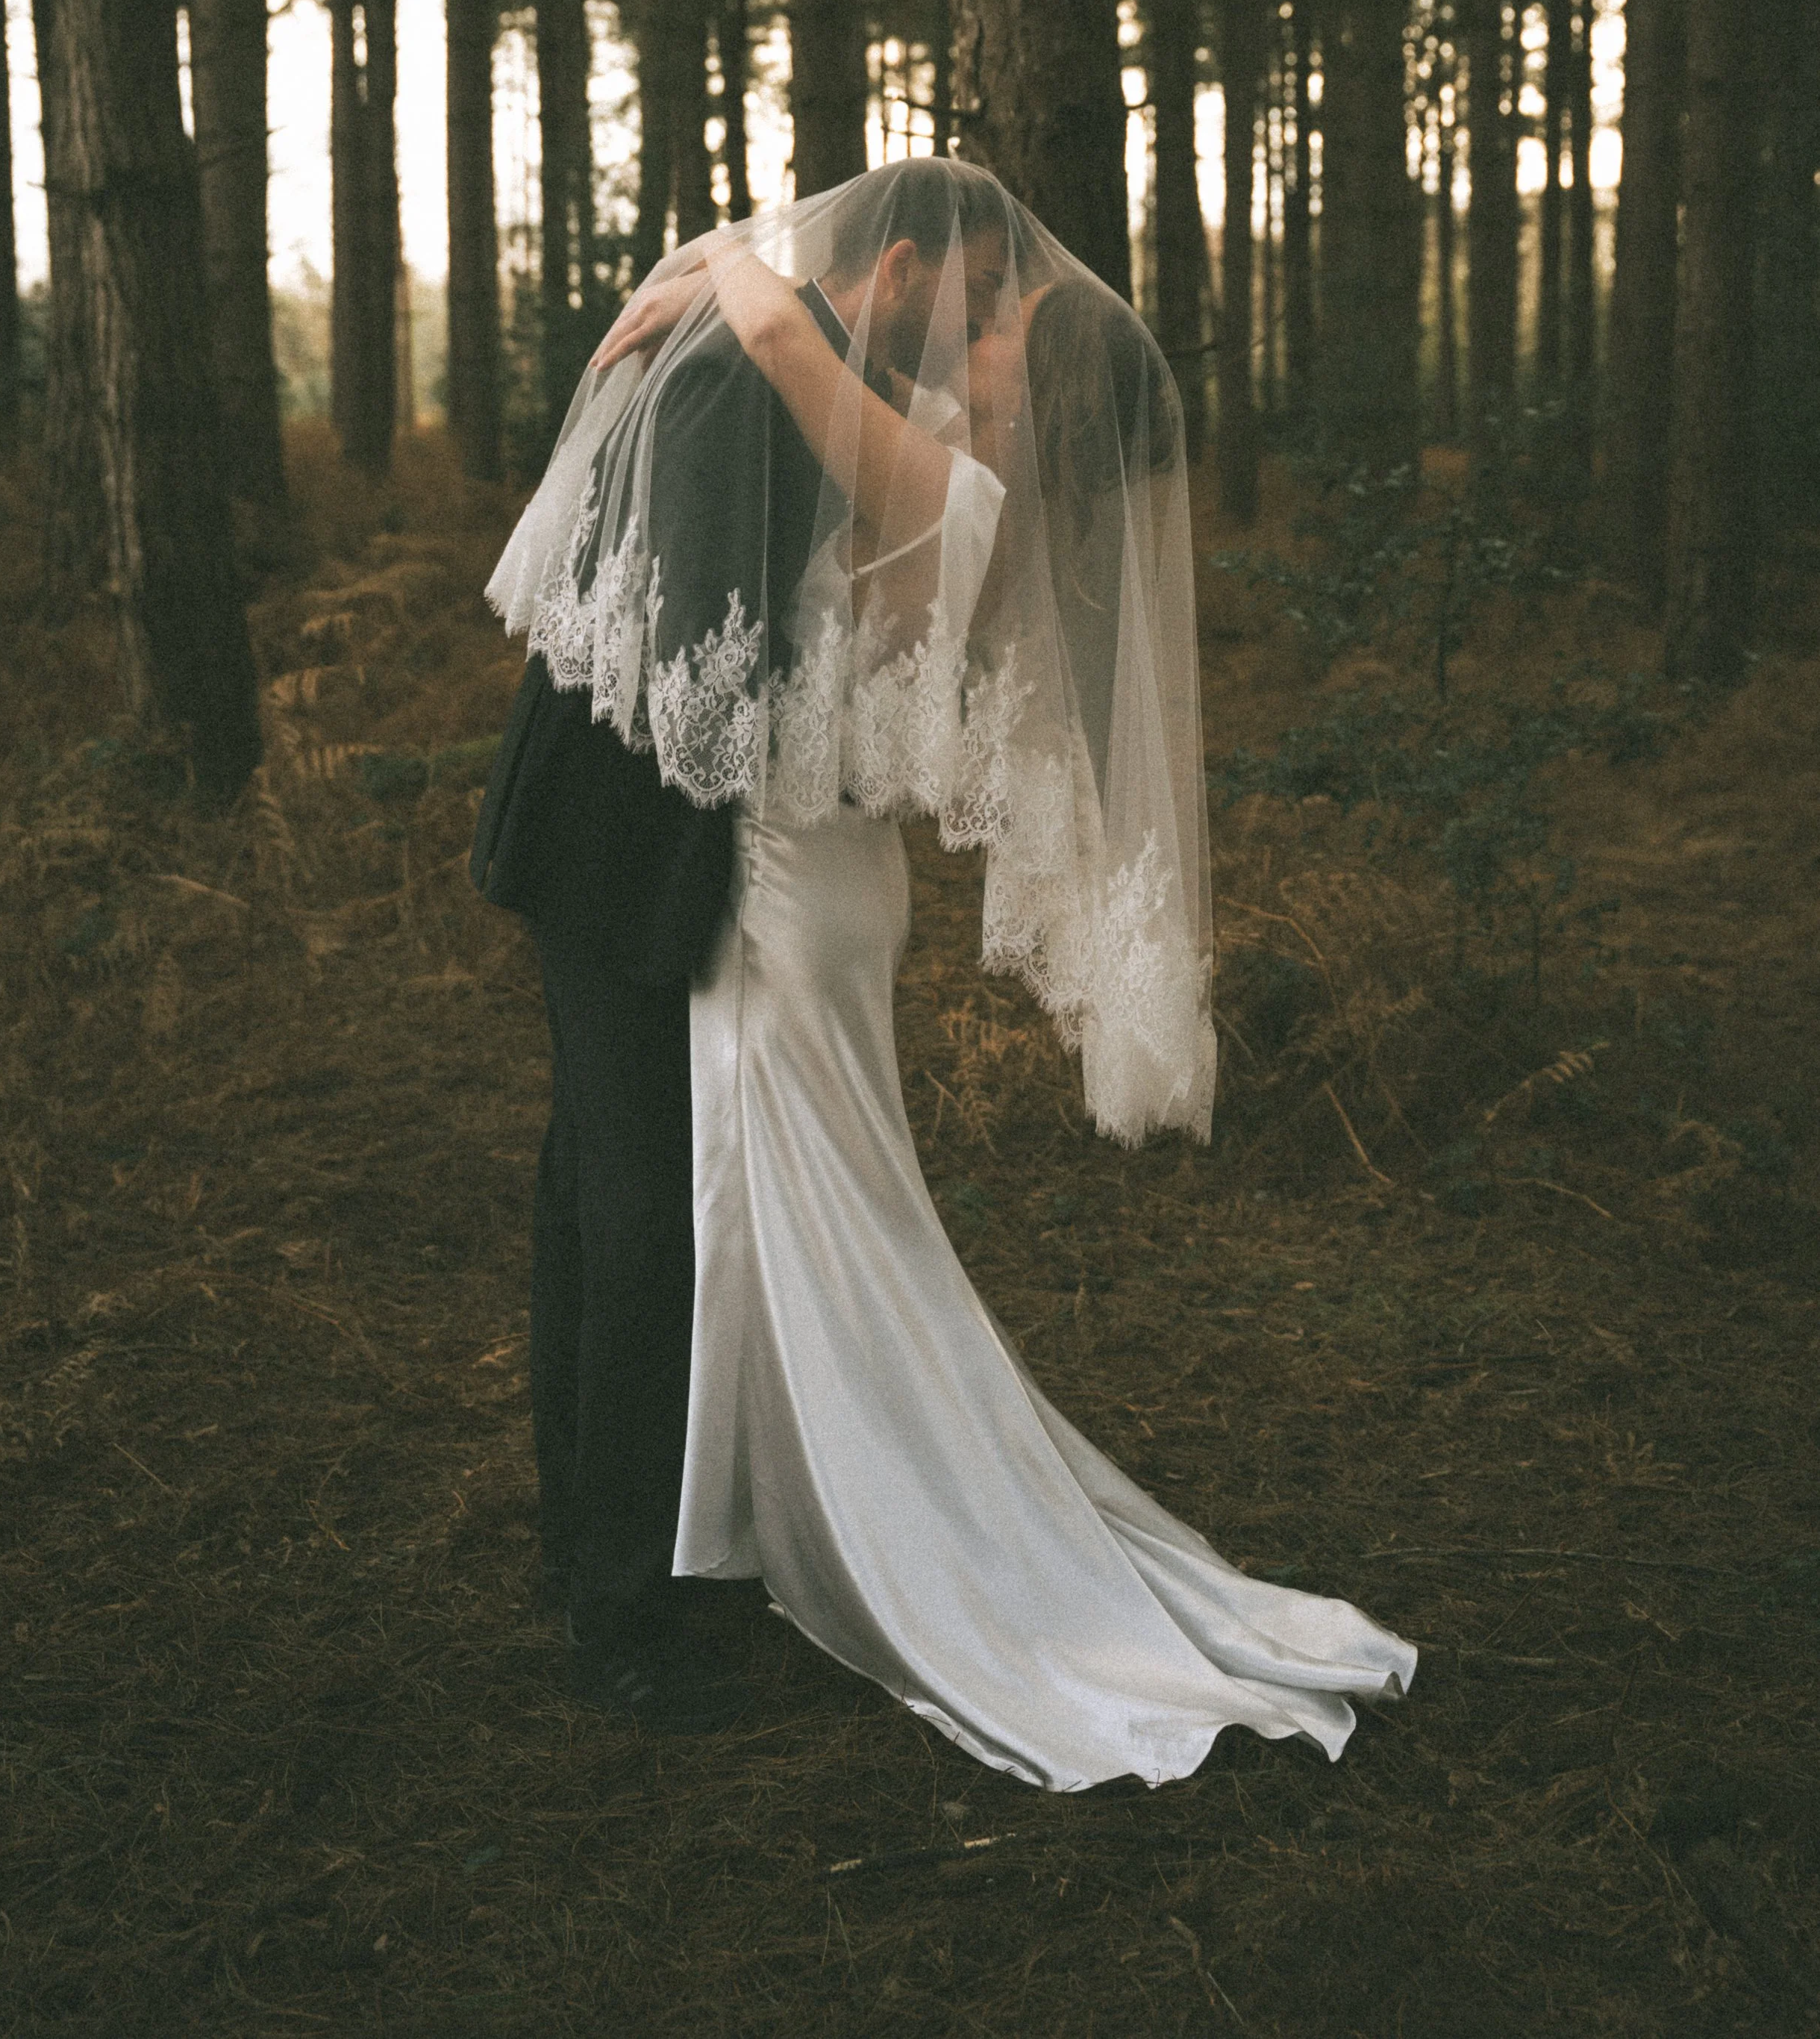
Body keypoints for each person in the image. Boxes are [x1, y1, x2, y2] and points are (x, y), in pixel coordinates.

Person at [489, 160, 1416, 1787]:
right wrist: (711, 286)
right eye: (983, 306)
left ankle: (646, 1575)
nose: (982, 327)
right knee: (709, 1213)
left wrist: (714, 267)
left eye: (996, 326)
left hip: (765, 882)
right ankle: (640, 1548)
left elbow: (775, 342)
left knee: (682, 1217)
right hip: (772, 878)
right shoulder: (927, 468)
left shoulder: (916, 466)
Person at [472, 161, 1008, 1730]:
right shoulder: (737, 364)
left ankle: (592, 1538)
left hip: (670, 842)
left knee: (603, 1190)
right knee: (628, 1210)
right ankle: (613, 1604)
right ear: (899, 267)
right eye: (959, 305)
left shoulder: (782, 359)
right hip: (622, 840)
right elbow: (684, 641)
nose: (957, 337)